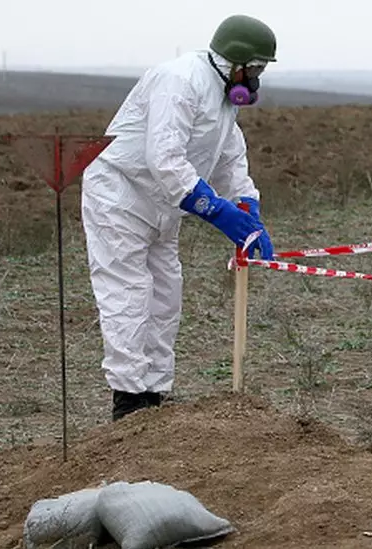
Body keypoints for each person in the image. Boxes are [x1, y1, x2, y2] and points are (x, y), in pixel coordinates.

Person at [81, 14, 277, 421]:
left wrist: (248, 210)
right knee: (128, 294)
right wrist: (218, 211)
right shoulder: (179, 81)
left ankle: (155, 393)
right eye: (254, 69)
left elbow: (230, 160)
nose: (256, 79)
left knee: (166, 296)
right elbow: (165, 159)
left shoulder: (223, 100)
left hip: (163, 207)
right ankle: (129, 399)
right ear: (235, 62)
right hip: (121, 195)